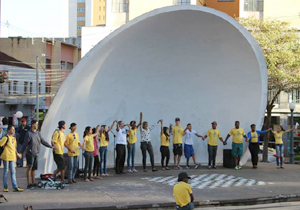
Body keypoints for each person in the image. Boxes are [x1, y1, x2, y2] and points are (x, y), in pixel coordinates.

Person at [21, 120, 53, 189]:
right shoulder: (29, 134)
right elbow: (25, 143)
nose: (37, 125)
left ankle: (33, 182)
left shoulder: (38, 133)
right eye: (36, 124)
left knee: (34, 168)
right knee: (29, 167)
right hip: (30, 153)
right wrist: (20, 152)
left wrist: (50, 146)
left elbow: (42, 141)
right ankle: (28, 183)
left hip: (36, 152)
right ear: (32, 125)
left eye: (37, 124)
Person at [0, 125, 24, 192]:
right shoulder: (5, 138)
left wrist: (17, 154)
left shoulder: (13, 138)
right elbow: (0, 144)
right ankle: (5, 187)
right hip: (6, 156)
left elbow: (14, 147)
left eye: (14, 129)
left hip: (12, 156)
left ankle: (15, 186)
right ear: (8, 130)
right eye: (12, 129)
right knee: (6, 171)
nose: (13, 131)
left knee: (13, 171)